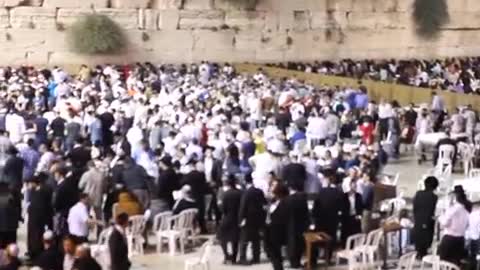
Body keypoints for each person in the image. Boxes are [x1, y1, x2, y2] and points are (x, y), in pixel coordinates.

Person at [438, 185, 471, 265]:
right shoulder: (466, 210)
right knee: (455, 263)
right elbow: (467, 225)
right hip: (460, 239)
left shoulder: (453, 209)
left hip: (449, 238)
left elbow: (445, 223)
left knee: (444, 263)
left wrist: (440, 217)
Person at [238, 175, 267, 265]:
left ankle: (243, 257)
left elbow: (243, 207)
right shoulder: (259, 192)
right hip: (258, 218)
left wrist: (241, 219)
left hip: (248, 218)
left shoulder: (246, 193)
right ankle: (256, 257)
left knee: (244, 239)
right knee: (256, 239)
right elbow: (264, 204)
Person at [27, 173, 54, 260]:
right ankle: (32, 251)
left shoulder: (43, 191)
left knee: (37, 237)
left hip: (38, 219)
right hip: (34, 218)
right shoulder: (35, 191)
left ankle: (35, 253)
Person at [217, 175, 243, 265]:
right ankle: (234, 258)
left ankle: (226, 255)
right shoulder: (240, 193)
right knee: (235, 240)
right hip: (237, 218)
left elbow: (223, 208)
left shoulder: (226, 194)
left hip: (227, 217)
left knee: (221, 237)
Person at [284, 179, 309, 268]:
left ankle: (293, 262)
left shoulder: (287, 199)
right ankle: (297, 261)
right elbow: (306, 213)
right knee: (299, 244)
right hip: (300, 225)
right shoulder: (303, 199)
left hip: (290, 225)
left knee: (291, 244)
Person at [264, 183, 289, 270]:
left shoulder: (285, 203)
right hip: (270, 230)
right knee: (273, 253)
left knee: (275, 254)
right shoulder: (273, 202)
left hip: (277, 231)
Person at [412, 176, 438, 259]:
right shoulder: (433, 197)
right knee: (425, 240)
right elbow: (431, 210)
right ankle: (422, 255)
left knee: (419, 240)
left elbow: (415, 206)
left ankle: (419, 254)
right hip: (427, 221)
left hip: (418, 219)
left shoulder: (418, 193)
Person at [341, 180, 363, 247]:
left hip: (355, 217)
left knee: (356, 234)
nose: (354, 187)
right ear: (350, 186)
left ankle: (355, 247)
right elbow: (342, 207)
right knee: (346, 234)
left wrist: (359, 215)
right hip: (346, 218)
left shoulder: (358, 196)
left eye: (355, 186)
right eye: (353, 186)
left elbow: (360, 207)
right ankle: (345, 247)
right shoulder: (344, 196)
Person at [467, 201, 480, 270]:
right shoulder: (476, 214)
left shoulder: (470, 215)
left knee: (472, 258)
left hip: (472, 239)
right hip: (477, 239)